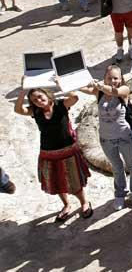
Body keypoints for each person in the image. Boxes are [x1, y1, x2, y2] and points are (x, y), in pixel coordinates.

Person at [14, 87, 92, 221]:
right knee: (56, 182)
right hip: (48, 152)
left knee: (75, 181)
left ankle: (84, 203)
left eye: (40, 96)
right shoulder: (35, 111)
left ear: (47, 94)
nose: (38, 100)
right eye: (34, 100)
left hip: (68, 150)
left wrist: (61, 85)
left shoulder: (60, 104)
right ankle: (67, 205)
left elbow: (75, 98)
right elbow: (18, 109)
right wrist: (22, 92)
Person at [80, 64, 132, 211]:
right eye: (109, 77)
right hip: (106, 139)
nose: (112, 80)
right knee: (116, 167)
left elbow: (114, 91)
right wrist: (64, 83)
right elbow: (81, 88)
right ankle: (120, 194)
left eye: (115, 78)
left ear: (121, 79)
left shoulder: (124, 90)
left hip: (124, 137)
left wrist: (100, 85)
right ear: (104, 77)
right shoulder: (99, 92)